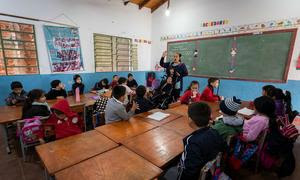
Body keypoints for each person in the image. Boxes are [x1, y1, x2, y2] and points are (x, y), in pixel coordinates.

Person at [177, 102, 226, 180]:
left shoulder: (191, 142)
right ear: (210, 117)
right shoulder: (215, 132)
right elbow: (224, 147)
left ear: (190, 120)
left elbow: (189, 172)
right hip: (211, 172)